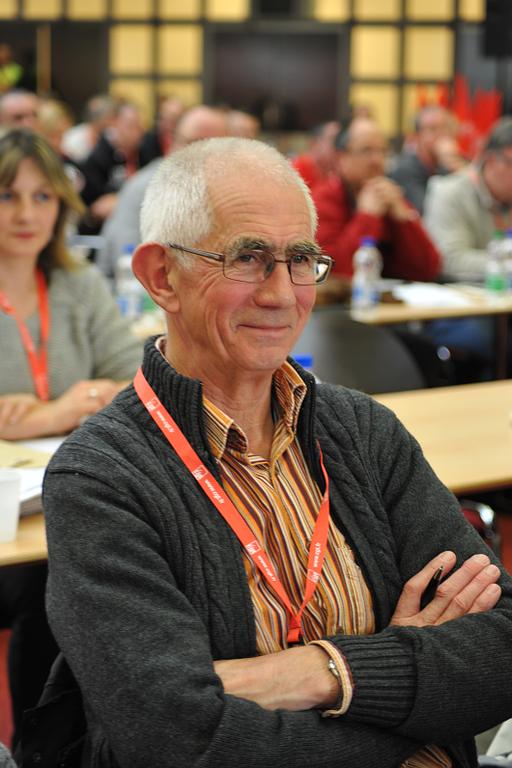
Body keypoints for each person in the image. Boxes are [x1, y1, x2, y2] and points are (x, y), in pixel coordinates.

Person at [42, 137, 512, 767]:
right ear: (161, 276)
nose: (283, 294)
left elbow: (502, 645)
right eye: (248, 258)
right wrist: (407, 690)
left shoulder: (364, 432)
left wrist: (318, 671)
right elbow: (178, 740)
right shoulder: (99, 478)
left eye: (301, 259)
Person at [0, 128, 142, 747]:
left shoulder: (76, 282)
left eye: (42, 197)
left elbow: (133, 378)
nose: (26, 214)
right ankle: (38, 747)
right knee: (47, 581)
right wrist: (66, 406)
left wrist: (52, 410)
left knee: (84, 566)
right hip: (7, 512)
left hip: (58, 489)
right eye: (7, 196)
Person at [96, 104, 228, 280]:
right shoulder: (143, 188)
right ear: (173, 143)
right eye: (193, 143)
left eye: (214, 147)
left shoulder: (229, 194)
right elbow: (129, 264)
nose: (202, 155)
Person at [312, 117, 441, 279]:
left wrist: (404, 219)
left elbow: (428, 269)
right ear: (341, 158)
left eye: (383, 151)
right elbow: (327, 273)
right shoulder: (323, 199)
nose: (377, 160)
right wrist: (367, 217)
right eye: (366, 151)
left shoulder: (388, 196)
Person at [424, 116, 512, 282]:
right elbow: (450, 260)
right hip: (459, 295)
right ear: (492, 160)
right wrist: (505, 265)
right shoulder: (449, 193)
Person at [79, 99, 144, 233]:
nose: (136, 133)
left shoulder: (144, 152)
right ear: (114, 122)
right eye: (130, 126)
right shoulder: (98, 158)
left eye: (139, 127)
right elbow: (98, 207)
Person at [388, 105, 464, 215]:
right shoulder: (405, 171)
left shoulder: (457, 162)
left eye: (445, 128)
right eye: (433, 129)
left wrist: (456, 168)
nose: (441, 134)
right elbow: (428, 212)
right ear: (418, 136)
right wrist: (449, 165)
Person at [62, 93, 117, 164]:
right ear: (101, 118)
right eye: (110, 118)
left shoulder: (110, 134)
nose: (113, 121)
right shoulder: (73, 136)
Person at [292, 120, 340, 190]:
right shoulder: (296, 171)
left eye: (339, 140)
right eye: (333, 139)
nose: (337, 146)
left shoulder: (333, 173)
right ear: (314, 143)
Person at [138, 95, 185, 167]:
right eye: (163, 118)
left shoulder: (185, 141)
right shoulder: (147, 142)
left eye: (173, 120)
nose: (167, 125)